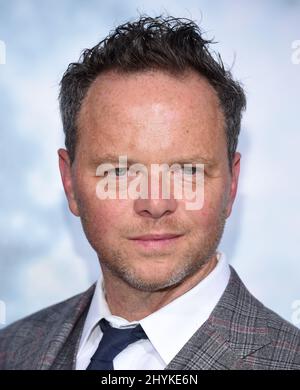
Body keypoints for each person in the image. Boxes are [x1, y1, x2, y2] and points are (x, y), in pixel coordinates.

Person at [0, 14, 299, 370]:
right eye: (121, 171)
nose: (156, 203)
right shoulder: (11, 350)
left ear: (232, 184)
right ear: (70, 183)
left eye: (187, 170)